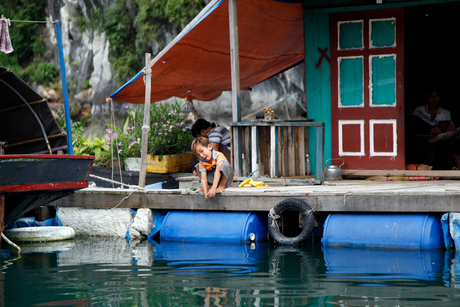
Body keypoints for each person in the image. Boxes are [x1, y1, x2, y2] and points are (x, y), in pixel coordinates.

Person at [410, 89, 460, 169]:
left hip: (437, 141)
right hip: (420, 138)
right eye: (431, 96)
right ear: (427, 97)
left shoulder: (445, 113)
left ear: (441, 97)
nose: (434, 98)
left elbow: (444, 125)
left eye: (437, 95)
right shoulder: (419, 110)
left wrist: (439, 127)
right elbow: (416, 126)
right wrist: (433, 128)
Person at [191, 137, 235, 201]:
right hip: (213, 180)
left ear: (209, 147)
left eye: (202, 151)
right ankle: (207, 187)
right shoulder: (202, 162)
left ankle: (221, 186)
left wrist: (214, 188)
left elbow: (218, 172)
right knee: (197, 166)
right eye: (198, 155)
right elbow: (203, 179)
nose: (202, 155)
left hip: (226, 179)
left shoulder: (219, 155)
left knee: (224, 164)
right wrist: (206, 194)